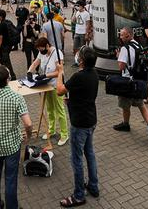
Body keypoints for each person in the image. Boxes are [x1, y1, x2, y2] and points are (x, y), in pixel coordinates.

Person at [0, 66, 32, 209]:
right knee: (10, 179)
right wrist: (28, 136)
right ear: (8, 79)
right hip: (11, 146)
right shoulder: (17, 97)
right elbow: (28, 123)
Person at [55, 46, 99, 207]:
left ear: (81, 61)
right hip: (90, 120)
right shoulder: (94, 74)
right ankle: (93, 186)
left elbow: (60, 90)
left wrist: (60, 72)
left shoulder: (78, 77)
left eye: (78, 55)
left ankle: (79, 195)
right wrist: (72, 100)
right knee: (90, 153)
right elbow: (82, 93)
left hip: (80, 123)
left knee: (77, 159)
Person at [113, 27, 148, 141]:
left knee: (125, 105)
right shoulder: (138, 45)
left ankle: (126, 124)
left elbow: (121, 66)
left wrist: (118, 56)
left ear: (128, 35)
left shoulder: (124, 49)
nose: (120, 37)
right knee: (141, 106)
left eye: (122, 35)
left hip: (127, 81)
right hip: (138, 81)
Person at [28, 38, 69, 145]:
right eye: (39, 50)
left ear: (47, 45)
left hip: (56, 85)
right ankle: (51, 130)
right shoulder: (41, 53)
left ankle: (64, 134)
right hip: (47, 86)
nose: (40, 51)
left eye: (41, 49)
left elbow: (59, 71)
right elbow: (35, 62)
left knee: (59, 110)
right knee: (49, 109)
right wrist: (29, 71)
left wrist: (45, 75)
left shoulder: (57, 53)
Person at [0, 10, 17, 79]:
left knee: (6, 62)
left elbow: (0, 38)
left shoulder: (1, 25)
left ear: (0, 16)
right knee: (3, 61)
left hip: (4, 46)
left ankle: (12, 76)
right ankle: (6, 74)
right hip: (9, 45)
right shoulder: (8, 22)